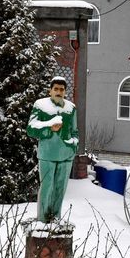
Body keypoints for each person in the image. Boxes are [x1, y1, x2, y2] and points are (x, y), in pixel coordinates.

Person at [27, 77, 79, 223]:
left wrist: (73, 145)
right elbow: (31, 128)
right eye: (55, 89)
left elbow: (75, 131)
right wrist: (49, 127)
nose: (58, 92)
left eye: (61, 89)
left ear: (65, 92)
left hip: (66, 154)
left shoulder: (70, 108)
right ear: (50, 90)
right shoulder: (41, 105)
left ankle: (56, 217)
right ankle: (42, 219)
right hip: (47, 154)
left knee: (60, 189)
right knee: (47, 187)